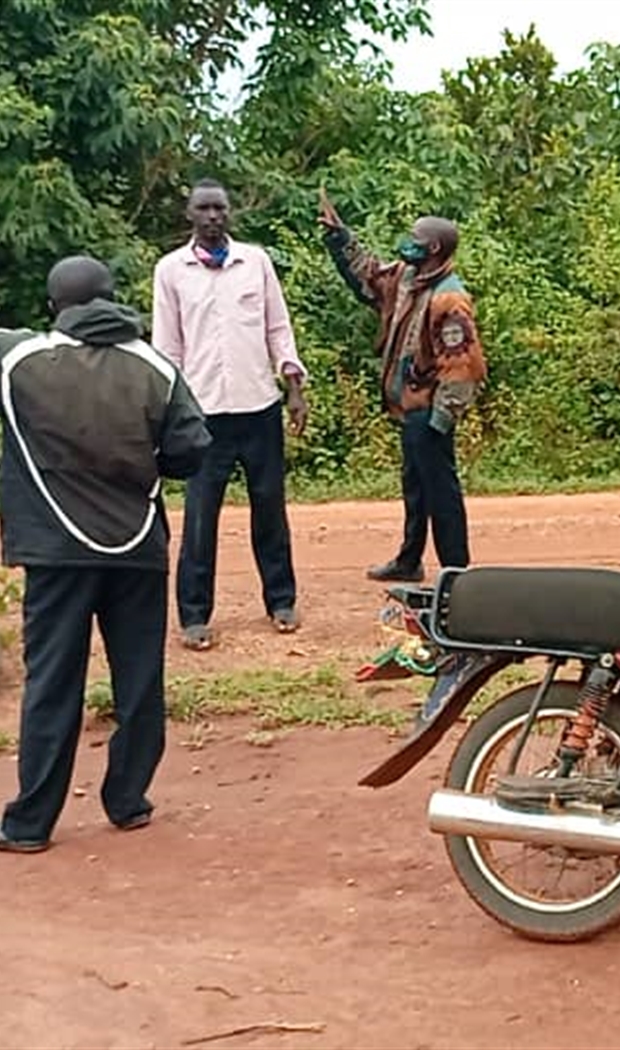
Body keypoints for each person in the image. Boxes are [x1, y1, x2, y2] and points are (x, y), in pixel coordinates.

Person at [0, 256, 211, 853]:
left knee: (52, 683)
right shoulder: (154, 366)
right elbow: (192, 450)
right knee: (139, 678)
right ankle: (127, 801)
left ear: (52, 307)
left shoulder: (19, 360)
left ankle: (29, 824)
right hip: (137, 546)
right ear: (114, 299)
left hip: (54, 552)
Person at [151, 178, 309, 650]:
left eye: (220, 208)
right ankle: (194, 616)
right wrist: (168, 412)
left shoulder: (255, 262)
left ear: (229, 212)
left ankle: (281, 601)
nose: (214, 216)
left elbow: (278, 328)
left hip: (258, 405)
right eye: (204, 208)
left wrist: (294, 387)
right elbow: (168, 347)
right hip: (202, 414)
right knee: (200, 517)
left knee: (269, 509)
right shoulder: (171, 271)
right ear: (190, 215)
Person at [317, 189, 487, 582]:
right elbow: (368, 277)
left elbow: (462, 366)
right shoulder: (407, 277)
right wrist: (340, 238)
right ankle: (409, 560)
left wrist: (442, 418)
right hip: (410, 406)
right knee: (416, 487)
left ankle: (456, 572)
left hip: (429, 410)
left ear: (433, 247)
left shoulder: (450, 299)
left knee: (440, 491)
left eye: (414, 236)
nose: (406, 241)